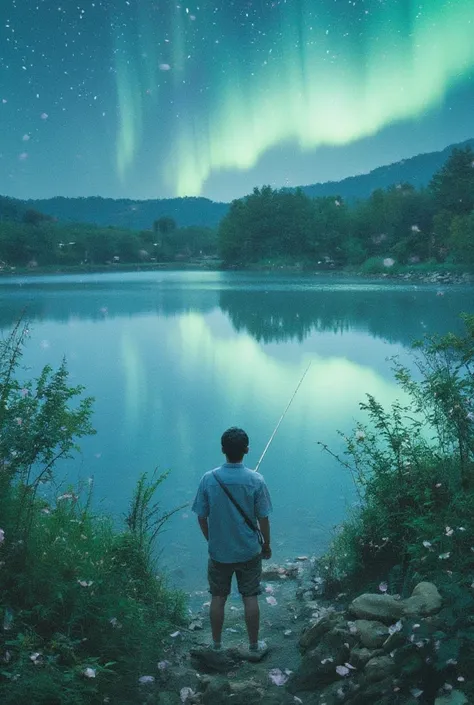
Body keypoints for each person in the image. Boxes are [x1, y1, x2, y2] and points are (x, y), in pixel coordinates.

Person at [192, 427, 272, 656]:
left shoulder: (209, 479)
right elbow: (263, 518)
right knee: (250, 596)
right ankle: (254, 647)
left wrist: (212, 540)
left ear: (222, 450)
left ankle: (216, 646)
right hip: (249, 552)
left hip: (219, 553)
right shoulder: (256, 480)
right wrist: (266, 545)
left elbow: (201, 516)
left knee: (218, 597)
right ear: (246, 450)